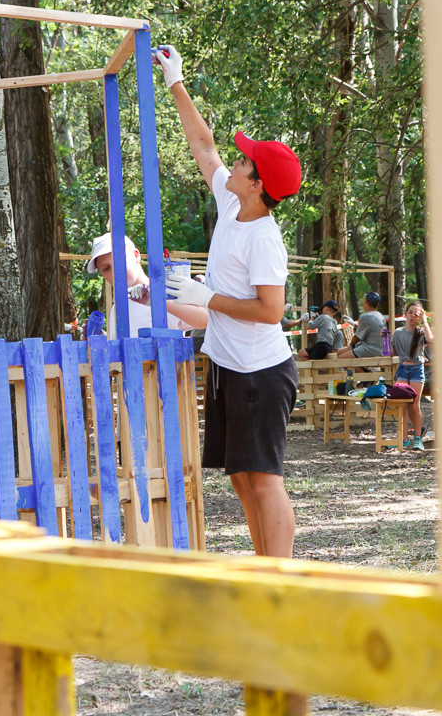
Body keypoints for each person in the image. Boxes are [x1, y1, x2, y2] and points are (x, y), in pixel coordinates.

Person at [153, 44, 301, 559]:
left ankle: (280, 581)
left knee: (264, 479)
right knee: (240, 476)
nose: (233, 163)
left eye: (243, 162)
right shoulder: (231, 200)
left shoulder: (263, 238)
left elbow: (272, 311)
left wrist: (209, 297)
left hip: (261, 373)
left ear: (258, 184)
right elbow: (203, 144)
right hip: (228, 366)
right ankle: (265, 570)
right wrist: (176, 82)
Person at [86, 232, 207, 337]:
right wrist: (96, 342)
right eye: (106, 268)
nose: (115, 271)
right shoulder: (116, 308)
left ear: (136, 255)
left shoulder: (167, 291)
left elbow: (204, 319)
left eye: (119, 260)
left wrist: (156, 298)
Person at [391, 300, 433, 450]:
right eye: (410, 312)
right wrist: (384, 339)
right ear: (405, 314)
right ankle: (403, 439)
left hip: (416, 369)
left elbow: (430, 339)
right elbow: (390, 352)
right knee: (402, 405)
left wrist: (425, 321)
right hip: (403, 369)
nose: (412, 316)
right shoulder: (398, 332)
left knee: (415, 404)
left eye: (417, 314)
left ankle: (417, 438)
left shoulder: (420, 332)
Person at [338, 291, 385, 358]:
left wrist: (350, 347)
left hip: (370, 348)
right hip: (379, 348)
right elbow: (369, 329)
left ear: (366, 301)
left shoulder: (365, 316)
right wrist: (354, 325)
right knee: (338, 352)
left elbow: (356, 339)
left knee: (339, 358)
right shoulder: (380, 315)